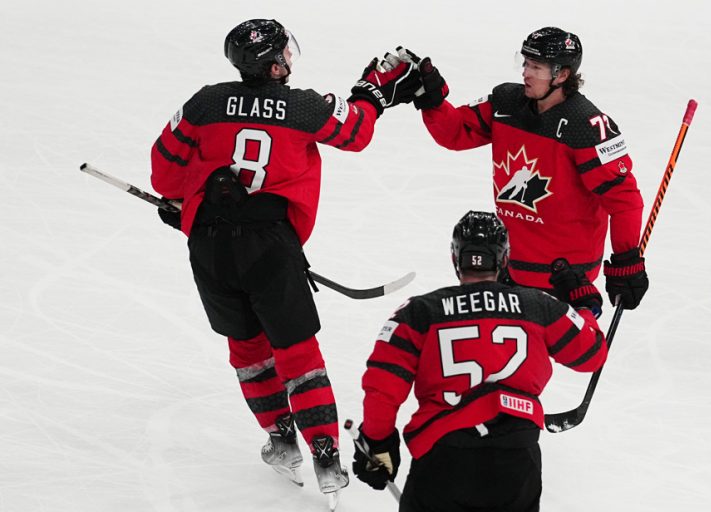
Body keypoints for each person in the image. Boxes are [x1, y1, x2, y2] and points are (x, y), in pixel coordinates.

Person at [150, 18, 419, 496]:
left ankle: (281, 441)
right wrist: (372, 92)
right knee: (297, 353)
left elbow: (163, 172)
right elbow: (356, 132)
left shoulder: (205, 102)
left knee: (247, 349)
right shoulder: (302, 106)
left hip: (210, 246)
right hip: (271, 246)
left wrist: (187, 202)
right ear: (274, 64)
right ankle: (326, 456)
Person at [352, 211, 608, 511]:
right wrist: (583, 307)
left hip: (443, 456)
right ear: (504, 260)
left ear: (455, 258)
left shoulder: (418, 312)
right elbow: (592, 354)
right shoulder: (539, 306)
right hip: (515, 460)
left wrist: (377, 441)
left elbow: (383, 385)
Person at [396, 27, 649, 310]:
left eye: (537, 67)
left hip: (566, 281)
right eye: (525, 63)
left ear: (562, 75)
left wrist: (626, 261)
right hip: (509, 271)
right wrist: (431, 99)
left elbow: (624, 200)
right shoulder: (506, 104)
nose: (526, 73)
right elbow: (455, 133)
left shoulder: (587, 127)